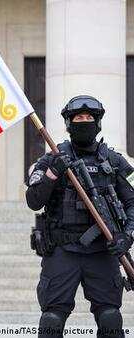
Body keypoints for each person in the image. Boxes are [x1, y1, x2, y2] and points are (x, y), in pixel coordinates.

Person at [26, 95, 134, 338]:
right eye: (78, 118)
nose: (83, 121)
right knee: (51, 321)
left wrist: (127, 235)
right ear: (69, 123)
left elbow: (133, 203)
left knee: (110, 319)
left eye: (88, 118)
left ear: (97, 123)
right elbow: (33, 200)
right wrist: (53, 173)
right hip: (62, 251)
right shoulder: (51, 158)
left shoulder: (115, 162)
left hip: (103, 251)